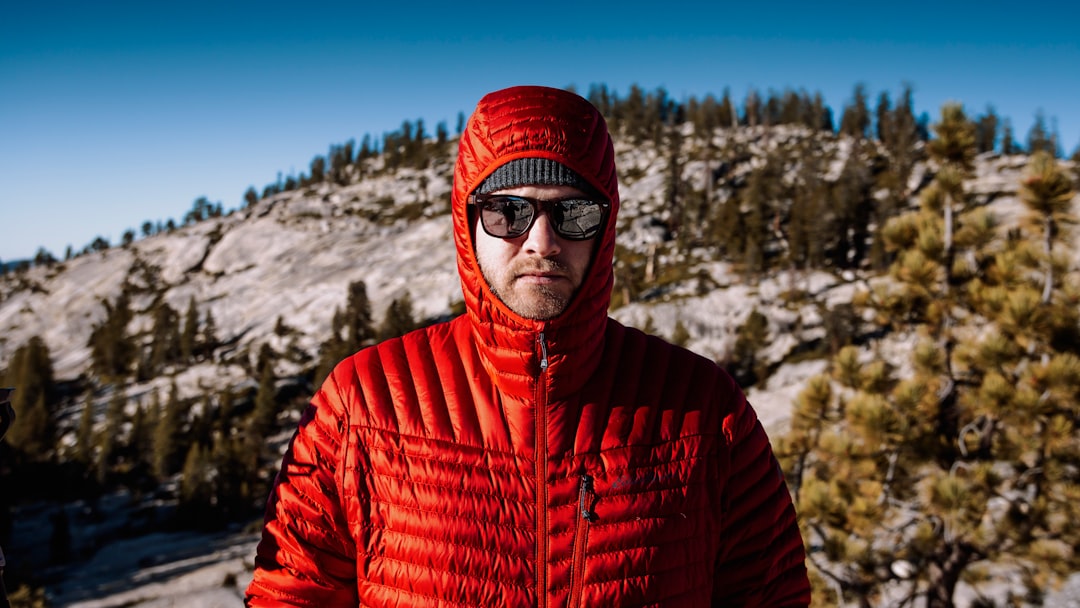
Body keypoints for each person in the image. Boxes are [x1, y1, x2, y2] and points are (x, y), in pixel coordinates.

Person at [246, 85, 810, 606]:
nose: (542, 241)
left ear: (605, 225)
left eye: (575, 213)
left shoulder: (704, 408)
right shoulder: (362, 401)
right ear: (468, 223)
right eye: (508, 211)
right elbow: (290, 595)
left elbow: (771, 597)